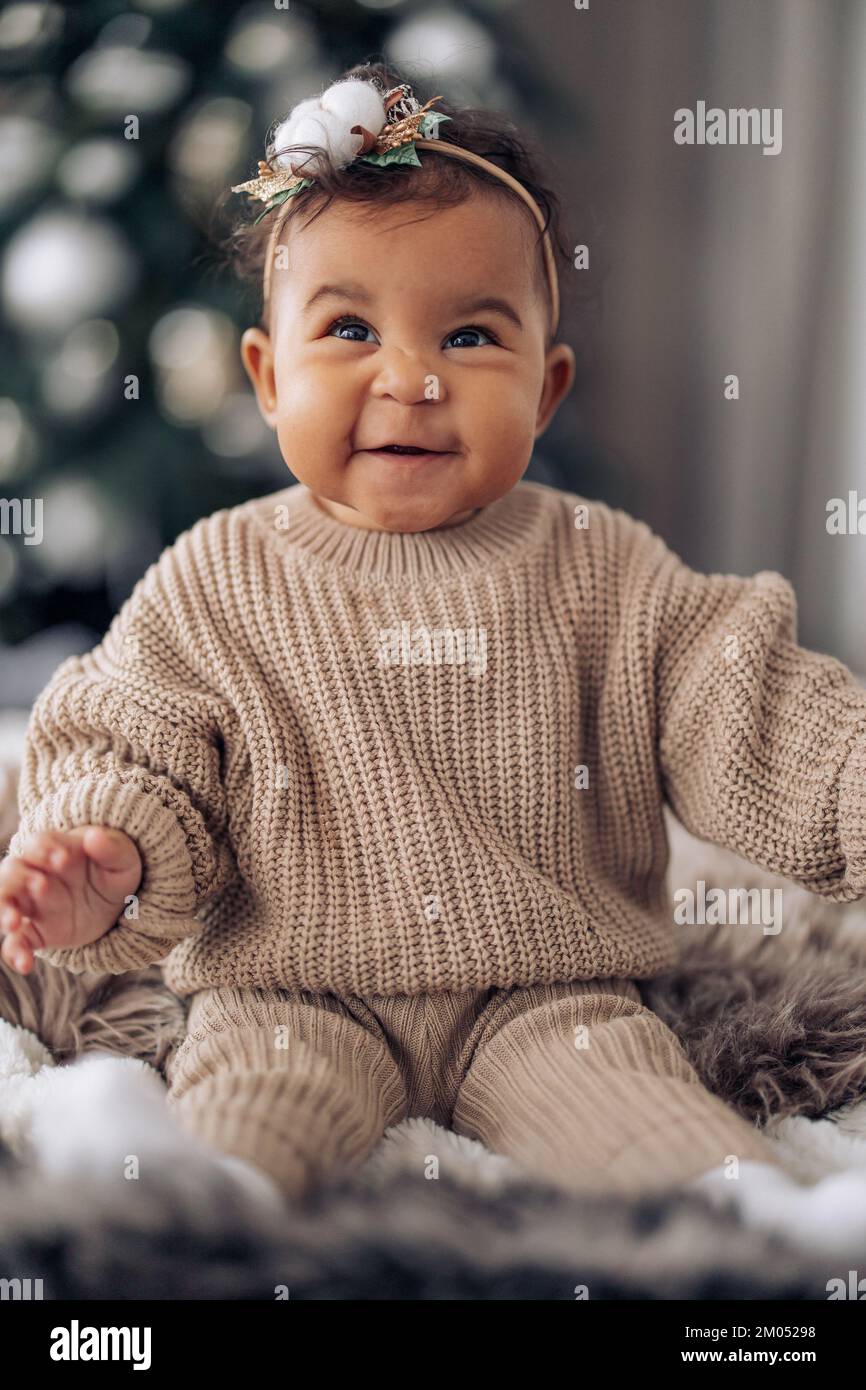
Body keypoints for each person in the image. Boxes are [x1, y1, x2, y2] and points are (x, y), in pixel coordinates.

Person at [1, 61, 865, 1220]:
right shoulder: (215, 577)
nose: (407, 380)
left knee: (650, 1126)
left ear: (545, 389)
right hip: (292, 991)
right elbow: (129, 737)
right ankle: (183, 1193)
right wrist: (108, 852)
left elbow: (742, 701)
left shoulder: (601, 567)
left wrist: (844, 777)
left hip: (546, 993)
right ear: (266, 375)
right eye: (349, 327)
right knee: (244, 1117)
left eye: (467, 336)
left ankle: (782, 1226)